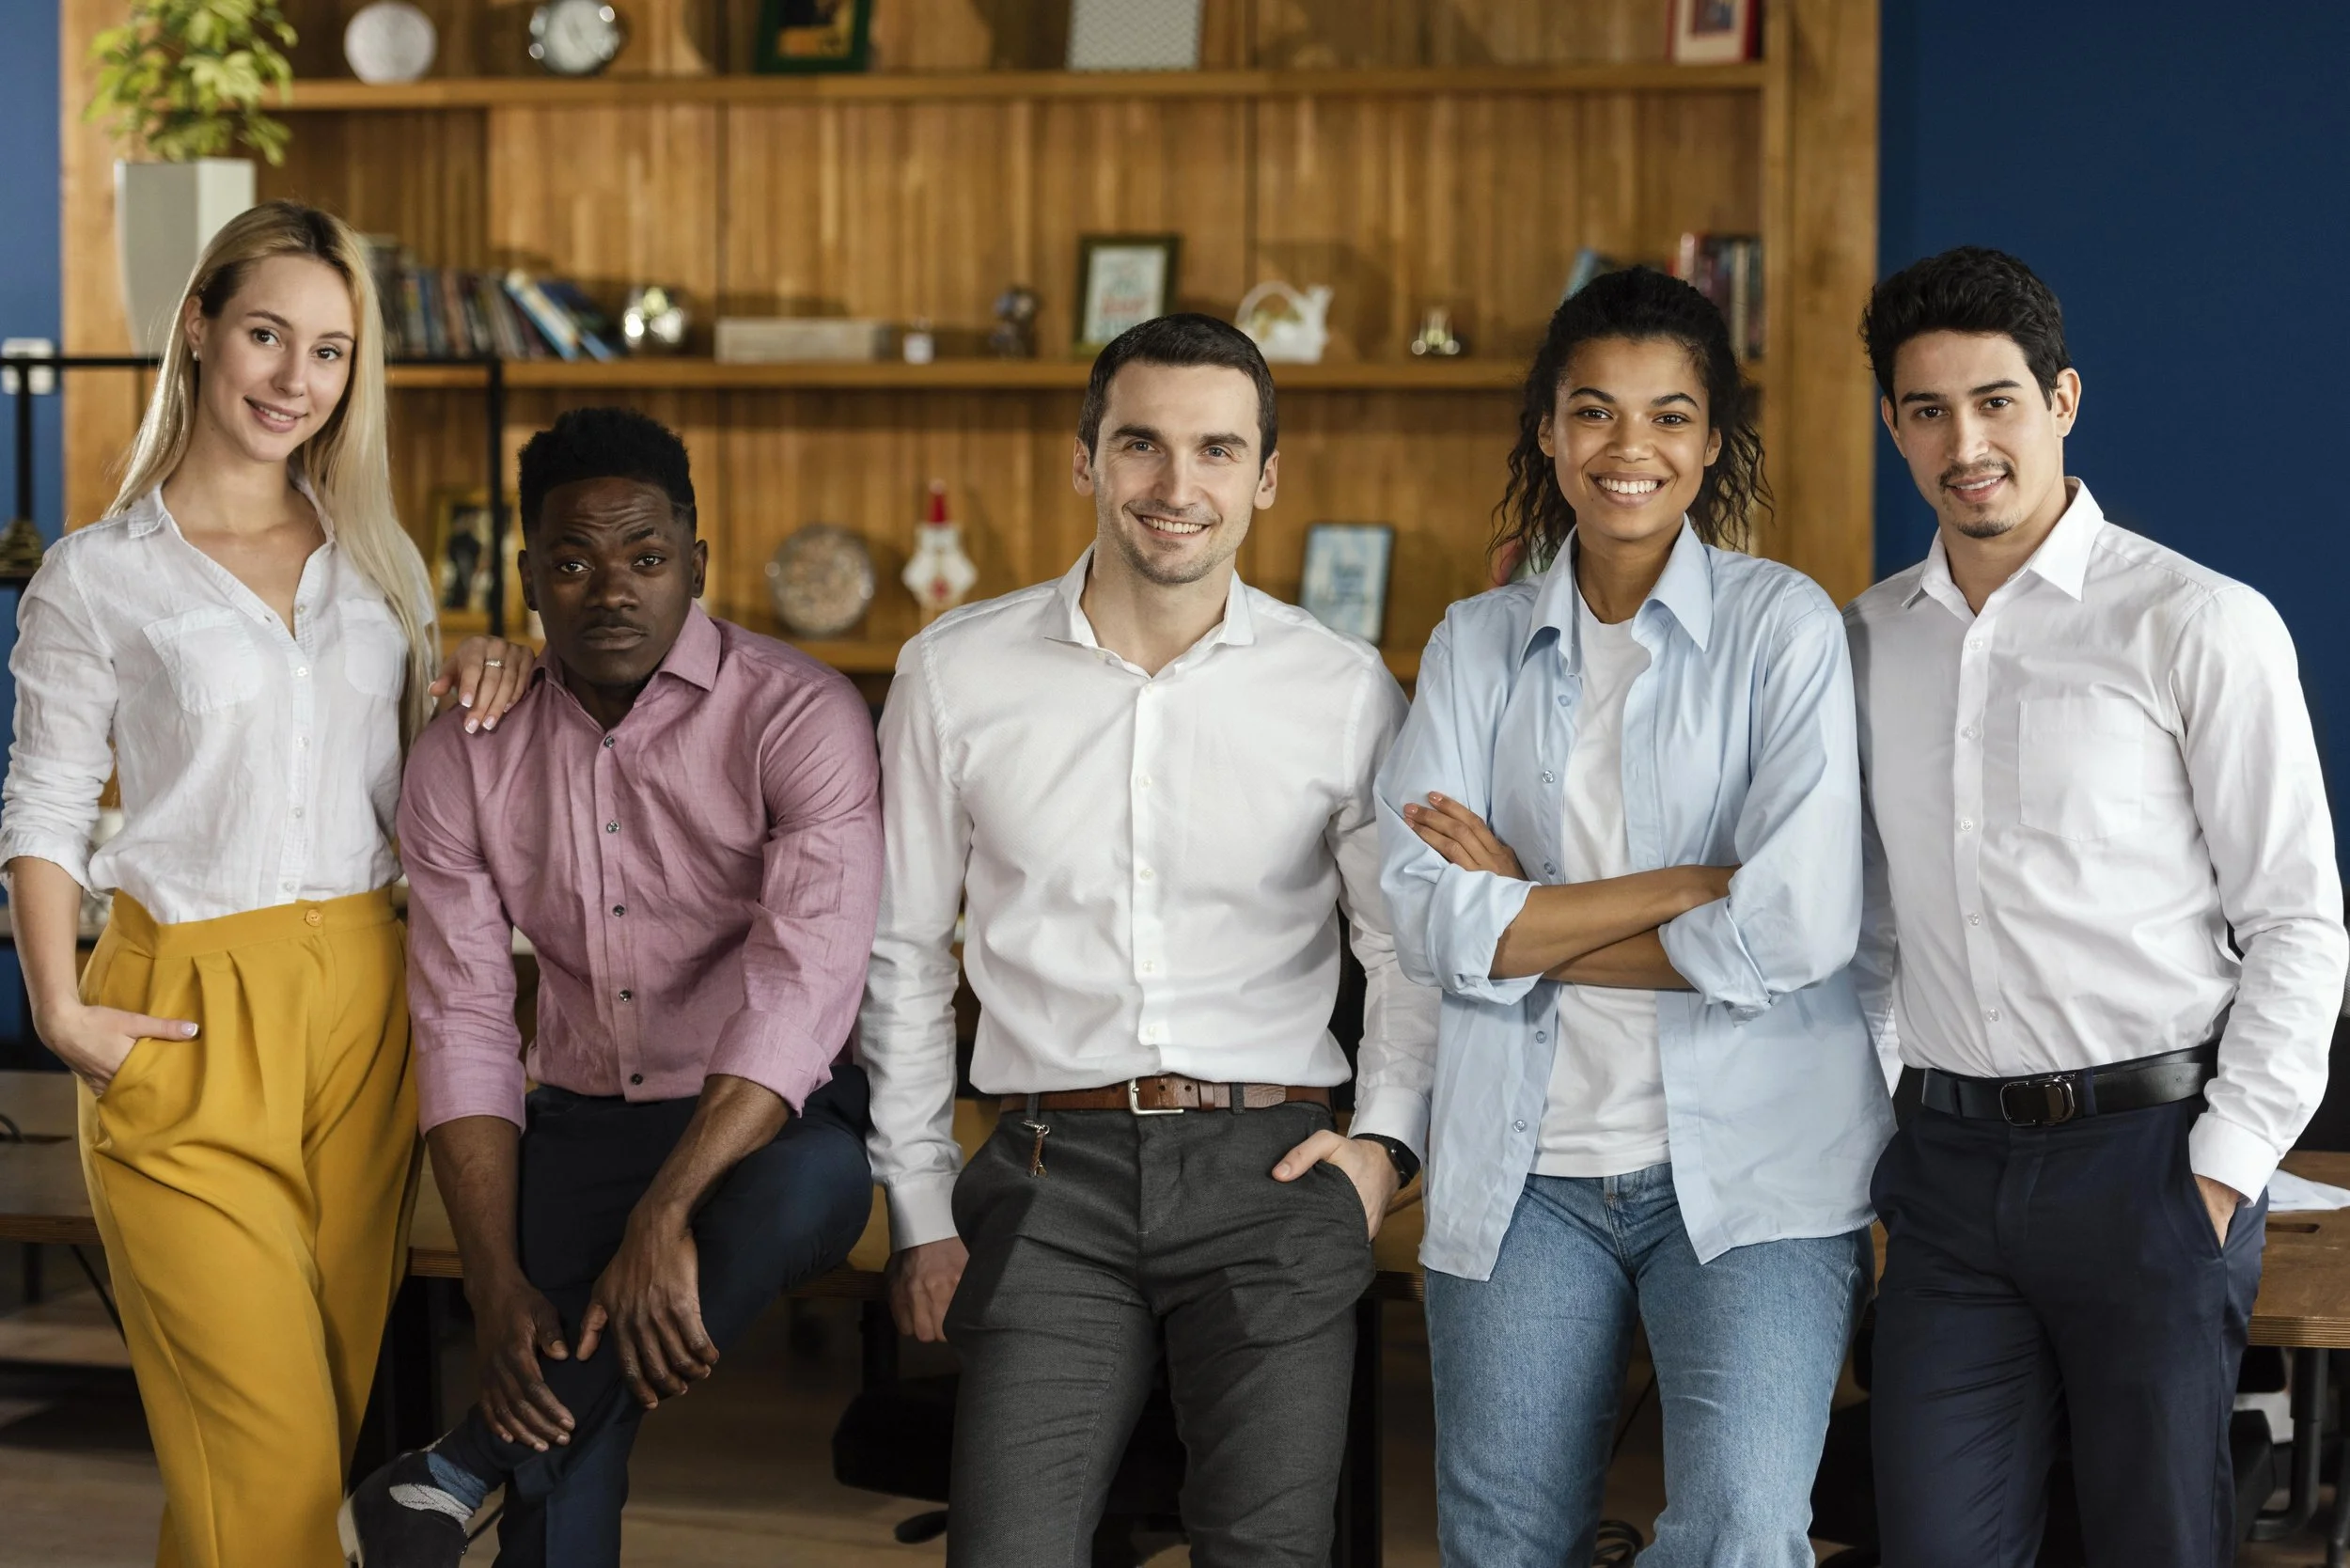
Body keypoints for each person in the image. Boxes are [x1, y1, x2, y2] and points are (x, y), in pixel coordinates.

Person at [0, 200, 535, 1568]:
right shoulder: (95, 578)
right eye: (266, 334)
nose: (296, 379)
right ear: (198, 328)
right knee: (278, 1464)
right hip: (178, 1011)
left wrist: (487, 672)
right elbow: (47, 806)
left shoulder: (381, 561)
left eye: (332, 351)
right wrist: (59, 1010)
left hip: (367, 1011)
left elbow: (424, 797)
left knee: (268, 1466)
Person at [861, 312, 1439, 1567]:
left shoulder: (1341, 690)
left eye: (1218, 451)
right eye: (1142, 446)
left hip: (1277, 1171)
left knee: (1268, 1552)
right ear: (1086, 460)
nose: (1178, 488)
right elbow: (902, 952)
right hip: (1048, 1170)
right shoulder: (953, 675)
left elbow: (1406, 950)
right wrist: (918, 1203)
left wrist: (1386, 1149)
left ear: (1266, 479)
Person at [1375, 266, 1890, 1566]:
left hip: (1759, 1172)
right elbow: (1427, 920)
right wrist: (1686, 884)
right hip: (1521, 1173)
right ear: (1549, 433)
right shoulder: (1471, 644)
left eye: (1669, 416)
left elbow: (1797, 929)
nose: (1629, 449)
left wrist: (1529, 916)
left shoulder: (1783, 629)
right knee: (1502, 1541)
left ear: (1712, 443)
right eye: (1594, 412)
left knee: (1738, 1533)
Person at [1848, 246, 2347, 1565]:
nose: (1967, 443)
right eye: (1928, 410)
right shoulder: (1864, 640)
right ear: (1893, 424)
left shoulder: (2197, 622)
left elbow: (2298, 920)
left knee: (2154, 1547)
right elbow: (1865, 930)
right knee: (1936, 1547)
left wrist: (2223, 1172)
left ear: (2062, 399)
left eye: (1997, 400)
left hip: (2148, 1166)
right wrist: (1882, 1119)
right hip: (1947, 1177)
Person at [337, 406, 883, 1567]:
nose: (612, 591)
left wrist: (664, 1216)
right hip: (579, 1117)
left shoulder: (800, 714)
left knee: (812, 1188)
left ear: (697, 561)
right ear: (528, 577)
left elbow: (805, 993)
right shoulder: (463, 754)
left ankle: (450, 1469)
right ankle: (482, 1463)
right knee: (556, 1420)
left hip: (762, 1125)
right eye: (574, 562)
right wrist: (490, 1277)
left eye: (645, 558)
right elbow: (467, 1018)